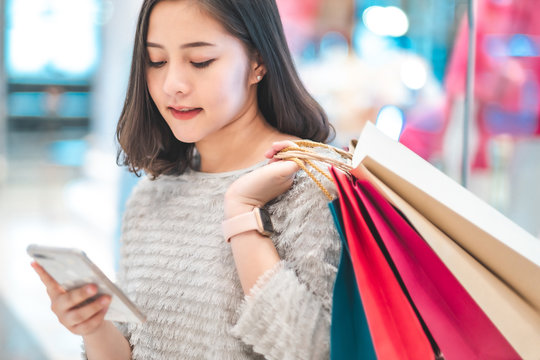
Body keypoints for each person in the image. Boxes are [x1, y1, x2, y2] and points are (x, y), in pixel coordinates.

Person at [31, 0, 341, 358]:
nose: (172, 85)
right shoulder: (152, 193)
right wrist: (94, 325)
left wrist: (242, 214)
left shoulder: (314, 184)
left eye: (200, 61)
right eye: (156, 61)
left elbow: (315, 351)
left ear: (258, 61)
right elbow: (138, 348)